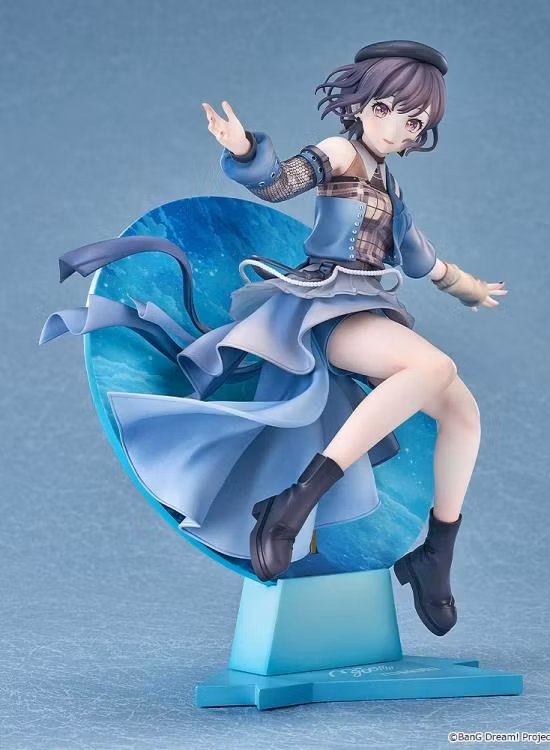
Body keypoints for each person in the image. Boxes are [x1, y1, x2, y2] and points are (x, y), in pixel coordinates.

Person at [40, 41, 506, 637]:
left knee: (464, 414)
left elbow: (417, 256)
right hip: (324, 309)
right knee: (433, 368)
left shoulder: (390, 185)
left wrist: (466, 286)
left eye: (415, 122)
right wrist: (243, 150)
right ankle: (293, 501)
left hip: (371, 308)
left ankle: (434, 555)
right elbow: (282, 182)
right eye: (388, 109)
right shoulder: (342, 152)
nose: (399, 128)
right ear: (361, 105)